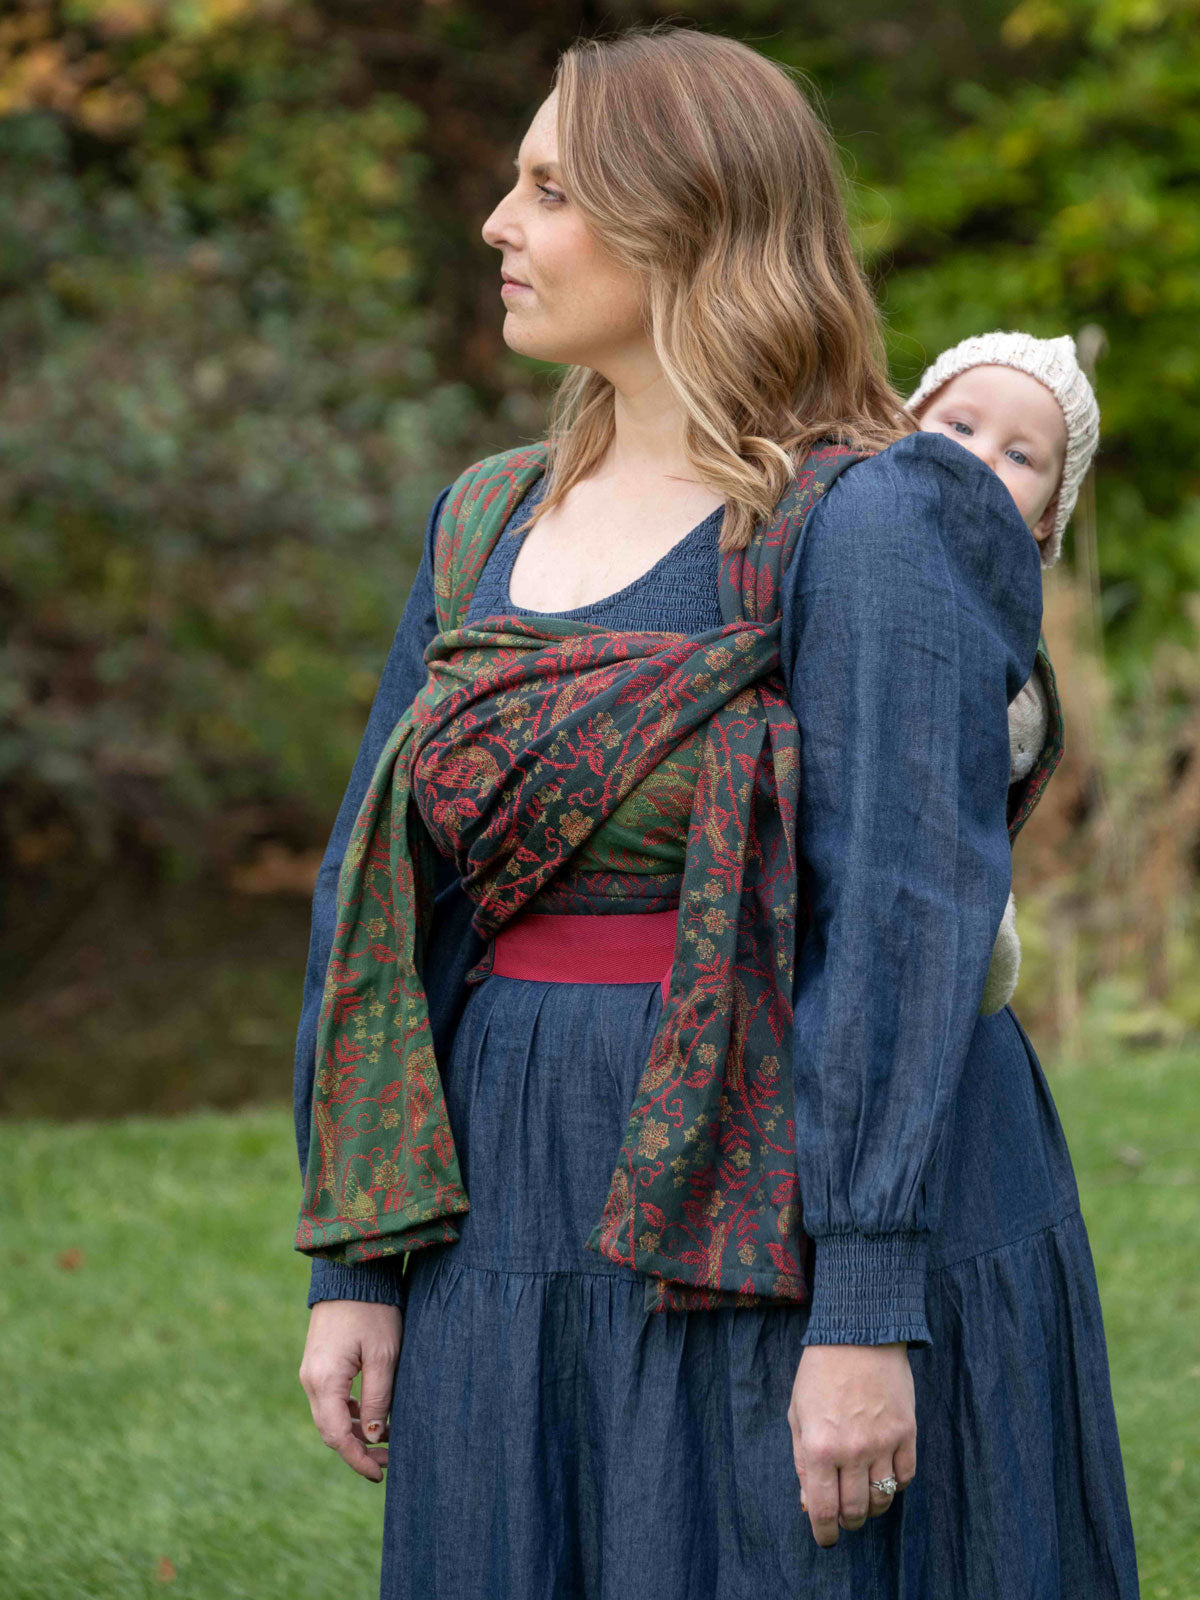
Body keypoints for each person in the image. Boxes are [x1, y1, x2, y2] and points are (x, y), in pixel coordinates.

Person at [293, 25, 1141, 1599]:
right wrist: (359, 1258)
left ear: (685, 227)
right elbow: (380, 905)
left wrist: (867, 1304)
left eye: (549, 190)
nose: (499, 222)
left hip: (790, 1198)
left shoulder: (869, 519)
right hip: (515, 1179)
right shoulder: (483, 520)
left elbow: (905, 920)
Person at [908, 331, 1101, 1014]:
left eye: (1019, 455)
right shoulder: (851, 530)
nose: (980, 456)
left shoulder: (1005, 604)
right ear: (906, 429)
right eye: (959, 426)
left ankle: (980, 918)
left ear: (1048, 516)